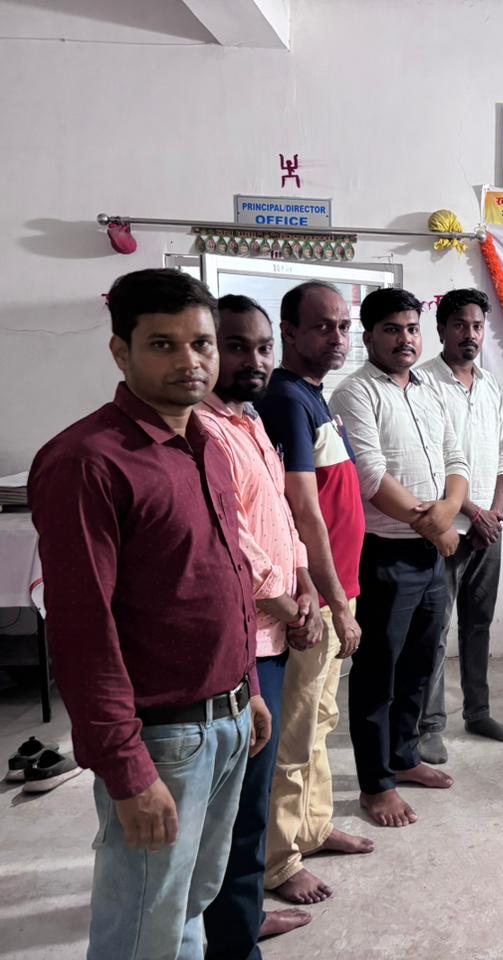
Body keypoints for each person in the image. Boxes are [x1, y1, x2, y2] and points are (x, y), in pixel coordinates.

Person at [29, 268, 270, 959]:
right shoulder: (88, 462)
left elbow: (224, 577)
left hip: (227, 720)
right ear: (120, 351)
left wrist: (248, 687)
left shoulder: (206, 445)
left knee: (188, 900)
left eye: (201, 344)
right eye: (163, 345)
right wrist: (126, 767)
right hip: (162, 737)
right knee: (143, 926)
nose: (189, 361)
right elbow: (83, 630)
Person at [198, 295, 324, 954]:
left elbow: (281, 517)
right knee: (236, 807)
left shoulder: (249, 420)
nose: (255, 360)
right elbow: (234, 541)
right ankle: (231, 938)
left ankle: (240, 918)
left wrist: (305, 585)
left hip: (276, 630)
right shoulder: (203, 429)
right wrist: (284, 603)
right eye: (236, 346)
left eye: (263, 347)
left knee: (253, 795)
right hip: (242, 645)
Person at [331, 287, 468, 828]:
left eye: (412, 328)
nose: (405, 339)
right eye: (392, 329)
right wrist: (437, 527)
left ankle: (404, 757)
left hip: (431, 553)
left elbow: (457, 459)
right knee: (377, 673)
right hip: (384, 553)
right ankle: (375, 784)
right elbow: (369, 476)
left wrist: (446, 515)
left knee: (420, 664)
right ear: (368, 337)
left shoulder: (431, 389)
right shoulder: (355, 393)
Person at [258, 281, 374, 905]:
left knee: (321, 719)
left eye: (343, 326)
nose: (337, 337)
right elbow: (304, 509)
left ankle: (313, 827)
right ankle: (278, 860)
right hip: (319, 599)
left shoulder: (314, 396)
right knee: (296, 729)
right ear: (290, 332)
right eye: (323, 326)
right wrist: (334, 602)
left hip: (340, 590)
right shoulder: (285, 399)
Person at [417, 288, 503, 763]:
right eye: (460, 325)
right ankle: (428, 725)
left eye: (477, 326)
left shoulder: (491, 385)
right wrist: (471, 514)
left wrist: (492, 515)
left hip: (486, 532)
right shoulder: (423, 383)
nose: (470, 334)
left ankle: (478, 713)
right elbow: (432, 463)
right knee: (435, 629)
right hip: (445, 531)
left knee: (478, 625)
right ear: (442, 329)